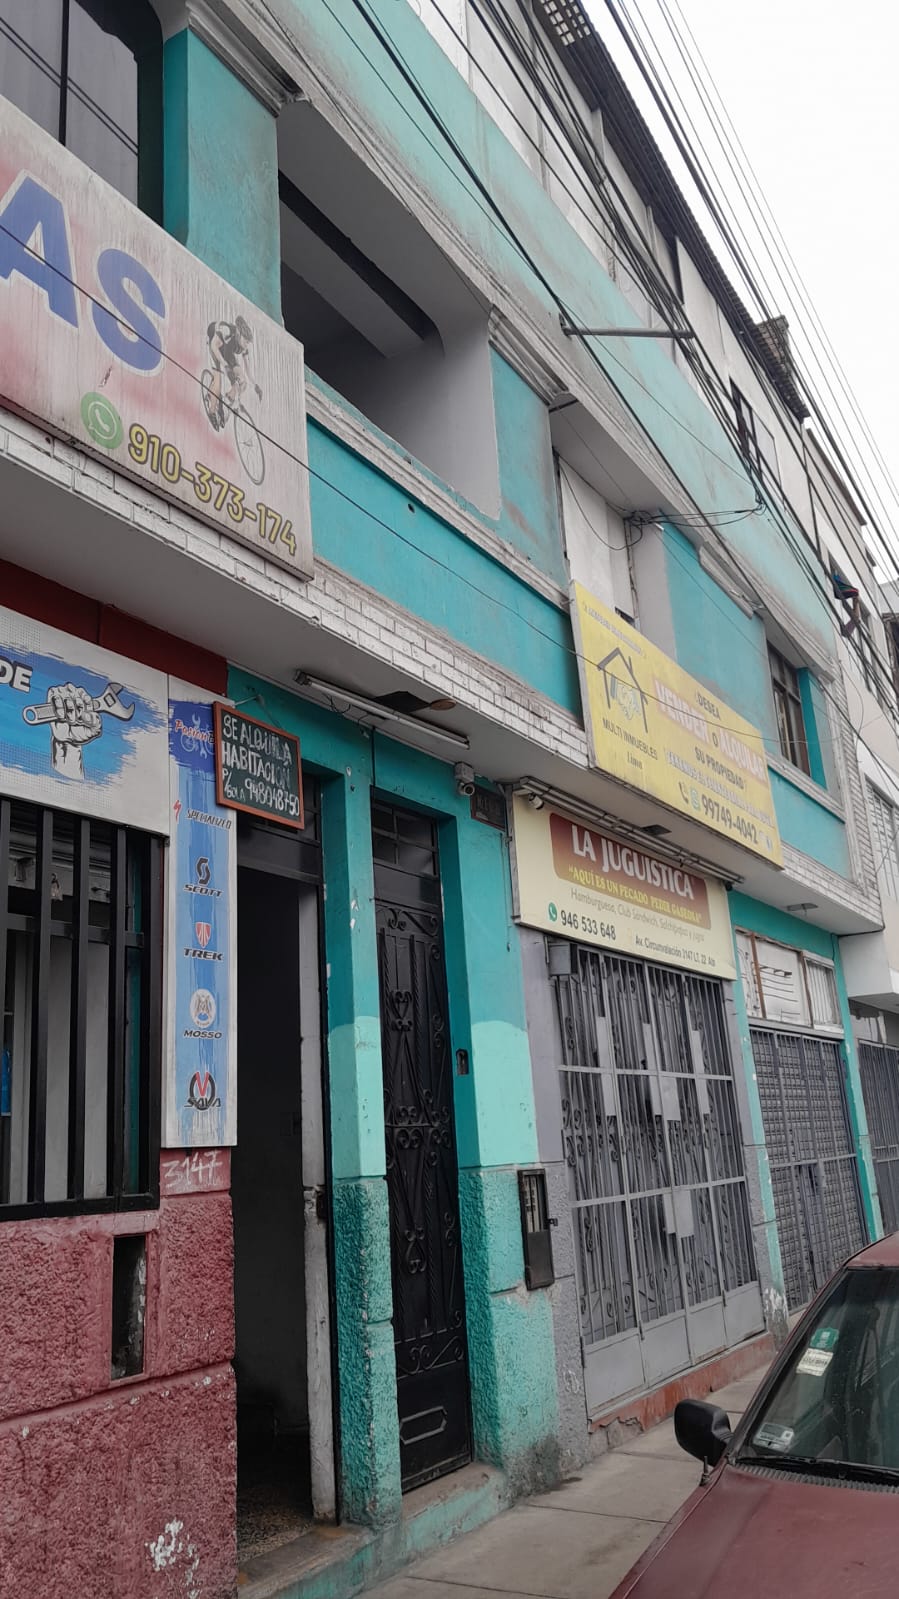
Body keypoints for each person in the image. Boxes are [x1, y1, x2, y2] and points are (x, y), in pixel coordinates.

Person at [205, 315, 262, 428]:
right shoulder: (228, 331)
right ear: (239, 334)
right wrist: (225, 365)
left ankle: (226, 400)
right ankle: (212, 412)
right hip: (215, 345)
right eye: (246, 341)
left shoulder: (244, 347)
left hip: (227, 352)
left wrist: (255, 386)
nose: (246, 345)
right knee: (218, 382)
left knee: (242, 383)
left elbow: (247, 369)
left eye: (248, 343)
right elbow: (214, 346)